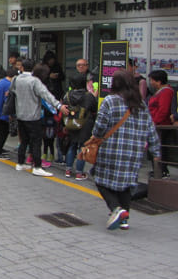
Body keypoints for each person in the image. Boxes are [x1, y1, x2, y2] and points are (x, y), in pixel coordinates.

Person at [91, 70, 160, 230]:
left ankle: (116, 209)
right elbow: (151, 129)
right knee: (127, 184)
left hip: (111, 150)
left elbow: (99, 127)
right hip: (134, 152)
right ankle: (124, 220)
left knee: (101, 180)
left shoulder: (110, 101)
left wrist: (95, 136)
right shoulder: (141, 104)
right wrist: (156, 151)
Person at [12, 58, 69, 176]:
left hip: (20, 114)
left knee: (24, 140)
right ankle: (37, 166)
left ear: (21, 67)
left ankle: (20, 163)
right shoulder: (34, 81)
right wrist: (59, 106)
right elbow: (46, 95)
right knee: (36, 141)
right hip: (33, 116)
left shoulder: (16, 79)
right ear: (33, 68)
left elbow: (12, 91)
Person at [61, 72, 98, 180]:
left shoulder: (67, 95)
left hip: (71, 123)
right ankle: (79, 173)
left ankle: (68, 170)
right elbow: (94, 110)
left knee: (72, 145)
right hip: (85, 125)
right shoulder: (89, 96)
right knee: (82, 147)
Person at [148, 69, 175, 178]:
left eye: (152, 80)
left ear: (159, 81)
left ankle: (162, 171)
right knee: (156, 149)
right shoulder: (160, 92)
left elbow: (163, 111)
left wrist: (154, 123)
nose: (151, 82)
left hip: (161, 126)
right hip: (155, 124)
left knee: (161, 149)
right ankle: (157, 170)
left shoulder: (166, 92)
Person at [0, 67, 18, 160]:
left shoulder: (2, 81)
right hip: (4, 112)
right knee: (3, 132)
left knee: (1, 132)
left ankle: (0, 149)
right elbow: (8, 101)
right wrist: (10, 114)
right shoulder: (9, 85)